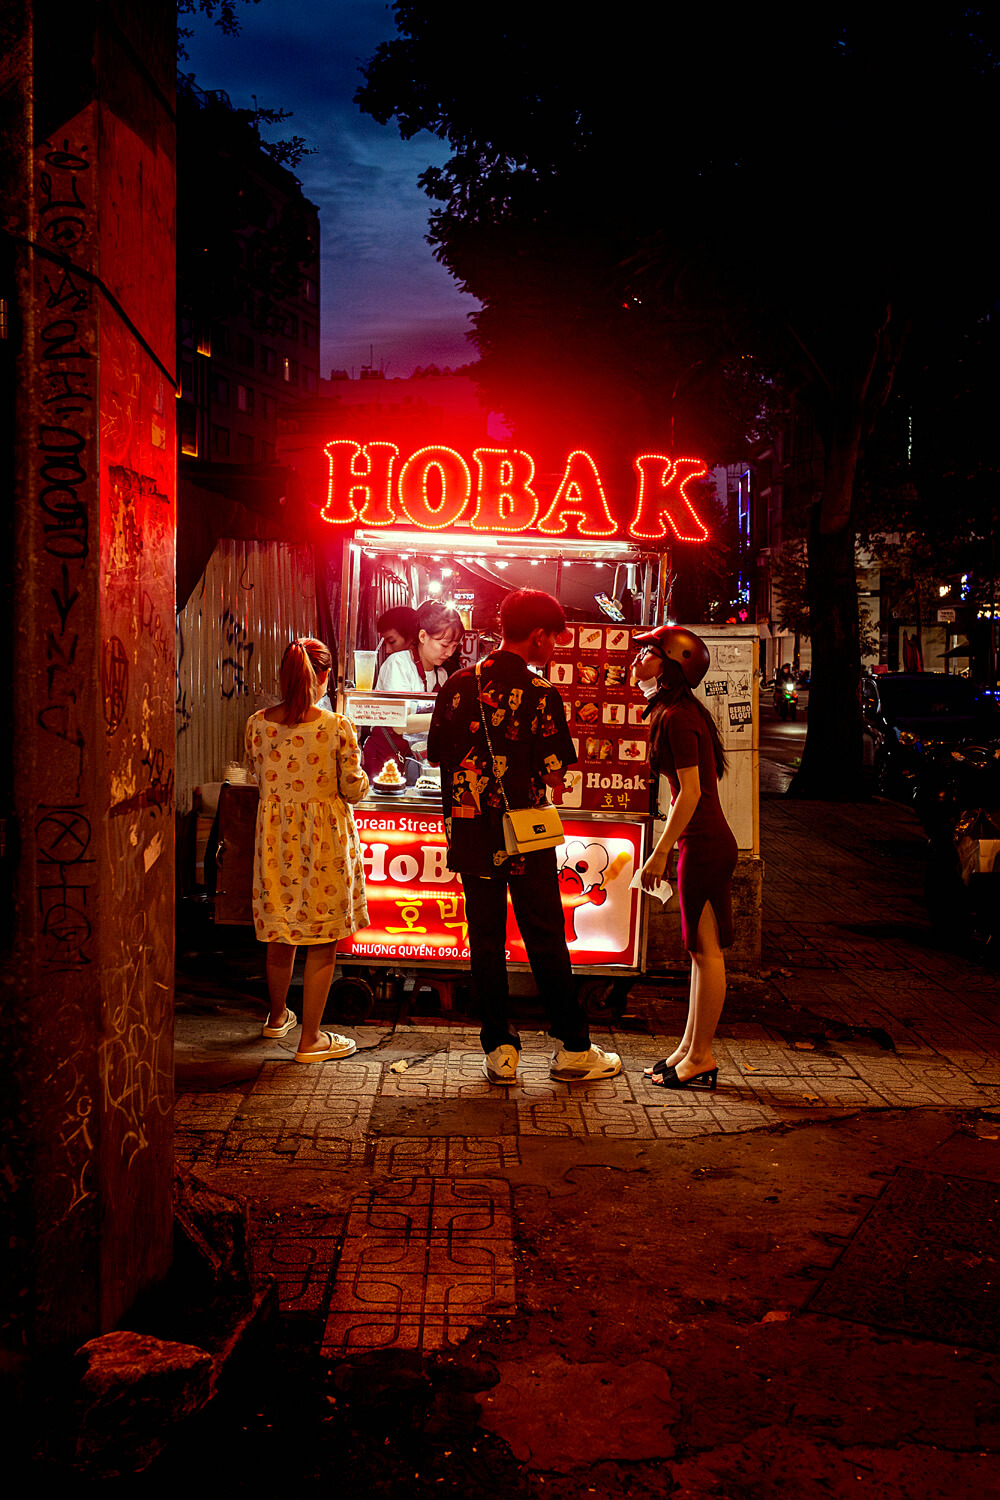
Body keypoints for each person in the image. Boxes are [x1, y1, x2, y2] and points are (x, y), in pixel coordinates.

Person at [428, 588, 621, 1086]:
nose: (555, 646)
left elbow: (437, 757)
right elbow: (557, 774)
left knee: (485, 941)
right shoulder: (540, 694)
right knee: (544, 936)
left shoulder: (455, 686)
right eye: (555, 637)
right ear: (539, 635)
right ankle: (574, 1049)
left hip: (469, 831)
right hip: (527, 833)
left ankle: (499, 1052)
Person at [244, 637, 370, 1063]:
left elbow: (258, 777)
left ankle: (277, 1016)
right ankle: (311, 1040)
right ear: (325, 676)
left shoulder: (257, 724)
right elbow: (353, 790)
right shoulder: (336, 727)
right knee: (323, 938)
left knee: (281, 931)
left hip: (275, 841)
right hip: (325, 842)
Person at [633, 625, 737, 1090]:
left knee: (707, 952)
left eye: (649, 654)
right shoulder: (676, 712)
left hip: (706, 845)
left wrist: (658, 854)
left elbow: (691, 793)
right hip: (700, 843)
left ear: (674, 664)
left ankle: (702, 1055)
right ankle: (688, 1049)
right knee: (698, 951)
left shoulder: (678, 717)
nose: (637, 662)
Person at [367, 599, 463, 773]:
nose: (449, 652)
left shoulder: (441, 675)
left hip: (418, 760)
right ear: (423, 636)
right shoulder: (399, 663)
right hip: (387, 759)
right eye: (444, 645)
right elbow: (399, 723)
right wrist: (450, 718)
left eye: (454, 646)